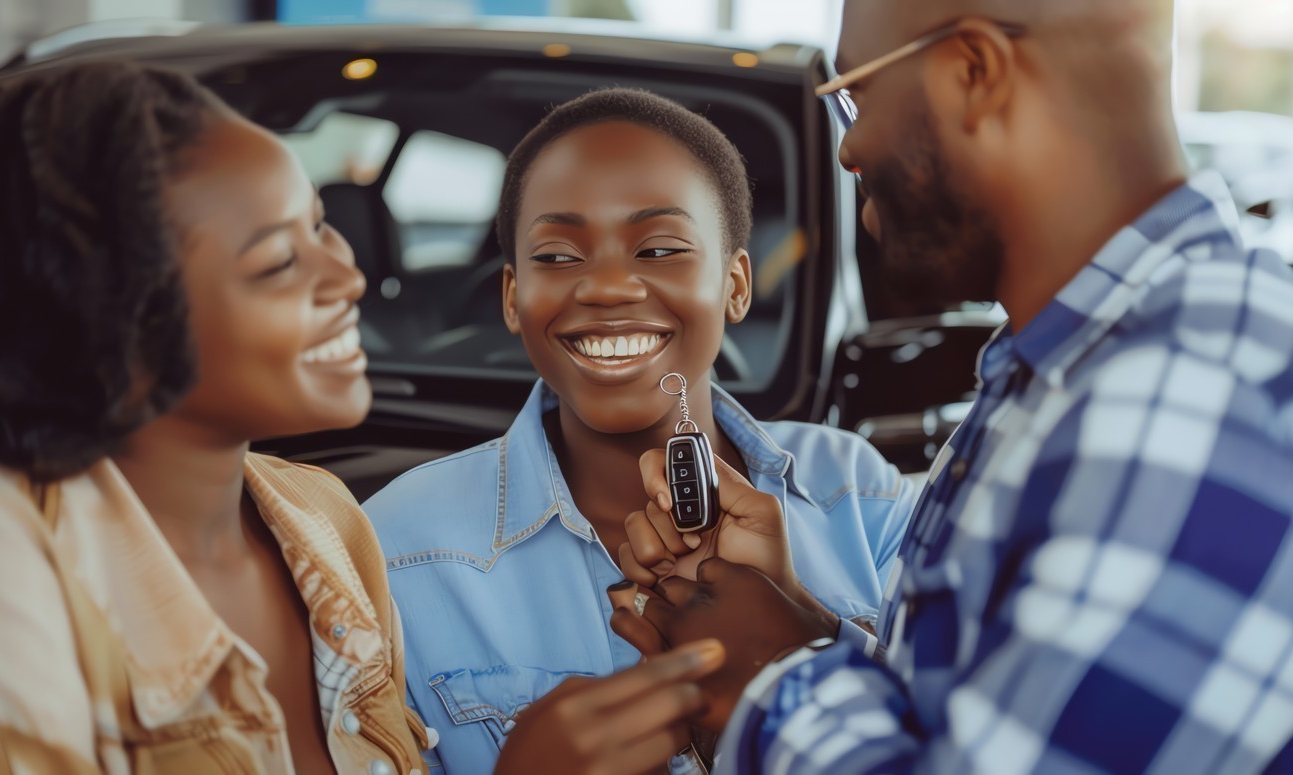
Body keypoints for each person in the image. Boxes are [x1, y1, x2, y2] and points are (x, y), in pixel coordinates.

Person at [613, 0, 1293, 772]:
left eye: (855, 95)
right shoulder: (1085, 365)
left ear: (973, 72)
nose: (849, 148)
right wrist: (803, 635)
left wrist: (771, 679)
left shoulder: (1187, 399)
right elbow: (984, 721)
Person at [0, 62, 721, 775]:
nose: (349, 274)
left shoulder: (323, 521)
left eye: (319, 225)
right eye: (278, 263)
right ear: (114, 323)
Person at [363, 87, 917, 773]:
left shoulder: (859, 499)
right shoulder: (391, 550)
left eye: (658, 248)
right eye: (559, 257)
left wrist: (800, 633)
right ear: (513, 297)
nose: (607, 288)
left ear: (735, 285)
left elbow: (972, 742)